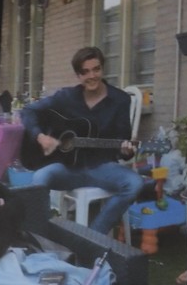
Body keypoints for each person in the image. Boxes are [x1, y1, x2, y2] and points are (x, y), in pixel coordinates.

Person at [20, 46, 147, 236]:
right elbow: (29, 111)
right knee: (39, 178)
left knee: (135, 183)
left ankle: (92, 237)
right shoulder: (67, 97)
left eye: (96, 69)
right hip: (68, 168)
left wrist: (126, 150)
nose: (92, 76)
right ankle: (43, 234)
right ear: (78, 75)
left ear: (102, 68)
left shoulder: (120, 100)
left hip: (103, 167)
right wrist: (41, 136)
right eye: (85, 71)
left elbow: (123, 143)